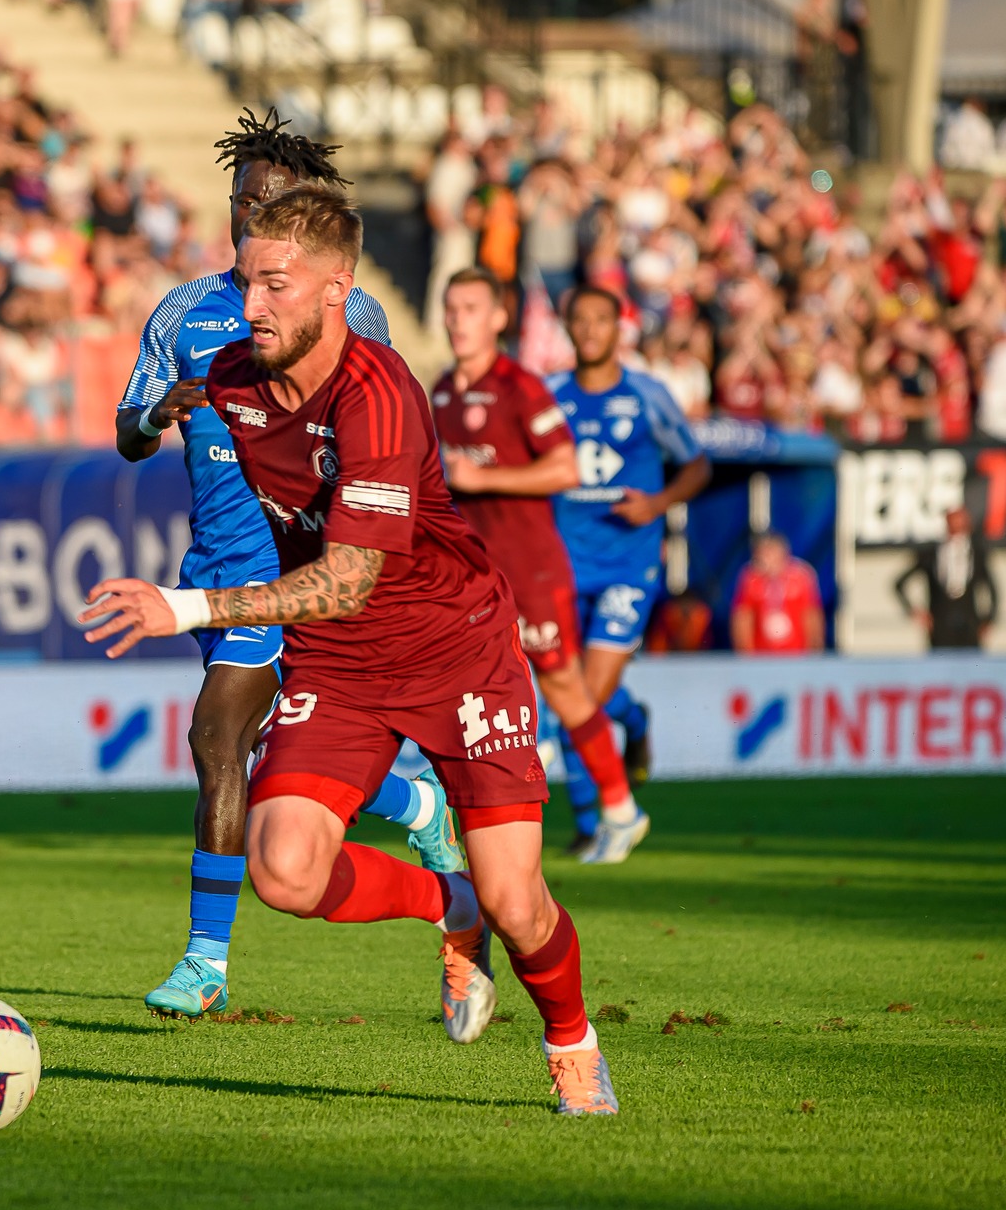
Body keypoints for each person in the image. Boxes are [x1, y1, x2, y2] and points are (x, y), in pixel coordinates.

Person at [84, 188, 618, 1115]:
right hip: (341, 663)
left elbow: (349, 579)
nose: (252, 304)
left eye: (276, 285)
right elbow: (146, 428)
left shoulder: (380, 393)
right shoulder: (229, 374)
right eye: (247, 280)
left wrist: (186, 606)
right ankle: (444, 903)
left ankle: (570, 1039)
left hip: (456, 650)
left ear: (338, 289)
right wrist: (156, 416)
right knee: (284, 868)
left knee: (520, 902)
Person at [115, 110, 457, 1021]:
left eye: (268, 201)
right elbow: (127, 432)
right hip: (222, 568)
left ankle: (204, 959)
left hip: (309, 570)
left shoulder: (355, 313)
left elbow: (381, 434)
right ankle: (413, 805)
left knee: (224, 743)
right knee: (247, 751)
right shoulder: (184, 314)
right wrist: (161, 415)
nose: (248, 212)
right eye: (241, 199)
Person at [430, 266, 648, 860]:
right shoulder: (442, 391)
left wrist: (485, 477)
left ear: (500, 317)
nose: (457, 319)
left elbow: (567, 469)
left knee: (566, 689)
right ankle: (464, 816)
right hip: (474, 579)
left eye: (470, 307)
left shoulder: (519, 385)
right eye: (451, 307)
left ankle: (621, 808)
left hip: (532, 570)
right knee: (459, 691)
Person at [547, 287, 710, 860]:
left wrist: (658, 503)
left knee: (583, 696)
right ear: (568, 328)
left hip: (627, 567)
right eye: (580, 320)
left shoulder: (647, 394)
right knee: (573, 699)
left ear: (620, 329)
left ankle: (603, 816)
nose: (590, 330)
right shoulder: (550, 396)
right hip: (565, 566)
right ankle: (599, 801)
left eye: (601, 320)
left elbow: (696, 464)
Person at [894, 507, 998, 651]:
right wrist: (915, 611)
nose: (957, 525)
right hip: (940, 625)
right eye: (953, 520)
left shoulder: (977, 554)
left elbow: (992, 588)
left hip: (970, 624)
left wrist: (989, 619)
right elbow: (899, 583)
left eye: (961, 520)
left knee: (971, 668)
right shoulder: (931, 554)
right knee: (940, 668)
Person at [729, 531, 825, 654]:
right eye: (762, 554)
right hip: (761, 655)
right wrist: (745, 652)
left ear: (783, 553)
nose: (765, 559)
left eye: (770, 553)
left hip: (796, 654)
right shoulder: (750, 577)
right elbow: (742, 617)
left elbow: (811, 614)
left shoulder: (801, 576)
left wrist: (815, 648)